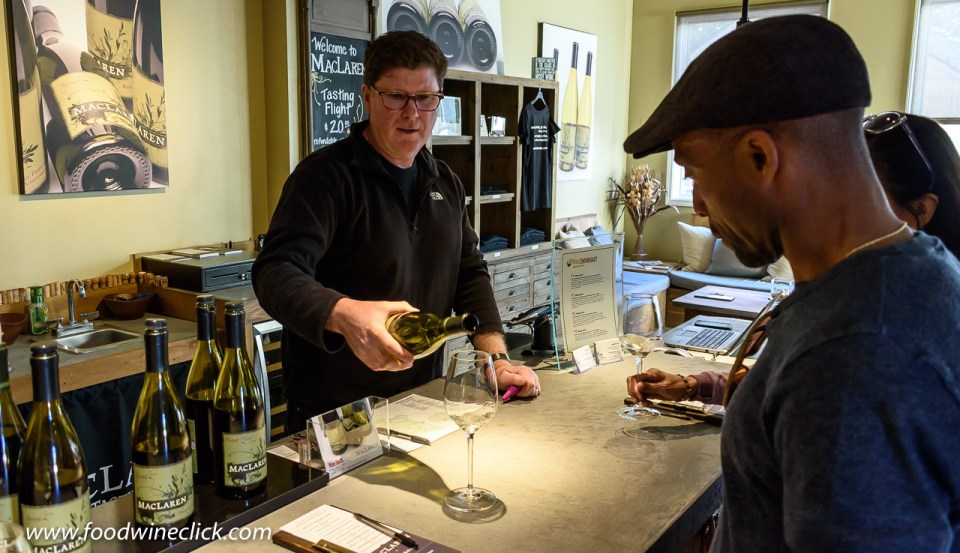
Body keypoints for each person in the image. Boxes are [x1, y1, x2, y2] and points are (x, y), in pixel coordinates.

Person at [622, 15, 960, 551]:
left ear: (760, 157)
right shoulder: (906, 277)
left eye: (694, 172)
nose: (701, 208)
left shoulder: (854, 352)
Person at [252, 31, 539, 434]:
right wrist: (344, 314)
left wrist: (496, 359)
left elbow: (469, 271)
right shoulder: (323, 178)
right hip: (336, 415)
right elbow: (274, 272)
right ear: (367, 96)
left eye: (426, 98)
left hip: (420, 401)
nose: (412, 113)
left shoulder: (445, 182)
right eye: (396, 97)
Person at [630, 112, 960, 405]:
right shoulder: (850, 292)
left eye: (867, 195)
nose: (836, 202)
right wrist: (693, 386)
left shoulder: (870, 326)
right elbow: (784, 389)